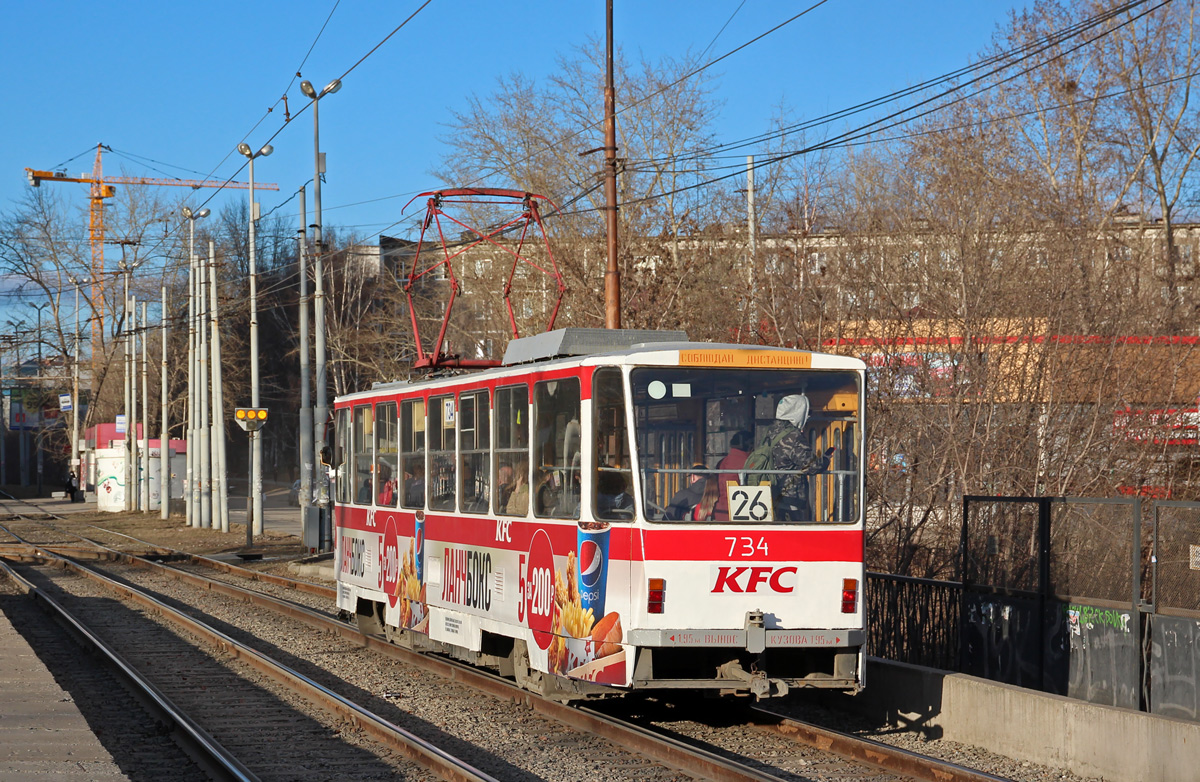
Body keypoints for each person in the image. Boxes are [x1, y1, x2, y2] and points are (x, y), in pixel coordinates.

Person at [766, 394, 833, 521]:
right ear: (797, 413)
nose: (807, 417)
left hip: (770, 490)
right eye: (806, 413)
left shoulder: (770, 431)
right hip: (790, 495)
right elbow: (812, 466)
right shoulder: (793, 436)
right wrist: (825, 459)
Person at [712, 431, 753, 521]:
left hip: (720, 510)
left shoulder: (722, 462)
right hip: (743, 512)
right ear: (749, 445)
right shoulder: (749, 463)